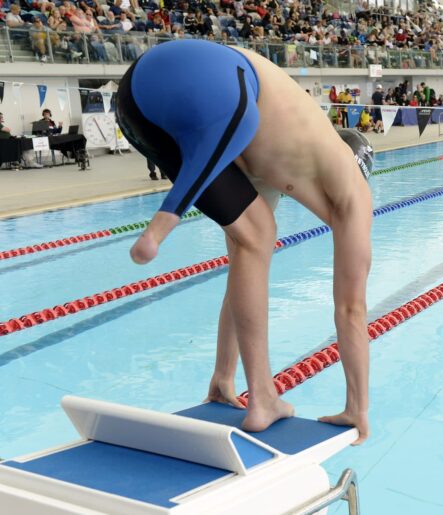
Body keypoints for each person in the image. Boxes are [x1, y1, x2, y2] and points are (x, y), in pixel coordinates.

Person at [116, 39, 372, 444]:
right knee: (259, 235)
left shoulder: (277, 159)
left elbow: (242, 270)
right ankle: (264, 398)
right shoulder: (353, 189)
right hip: (211, 81)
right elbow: (352, 309)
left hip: (138, 107)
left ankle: (225, 380)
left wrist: (224, 372)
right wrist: (358, 408)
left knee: (253, 241)